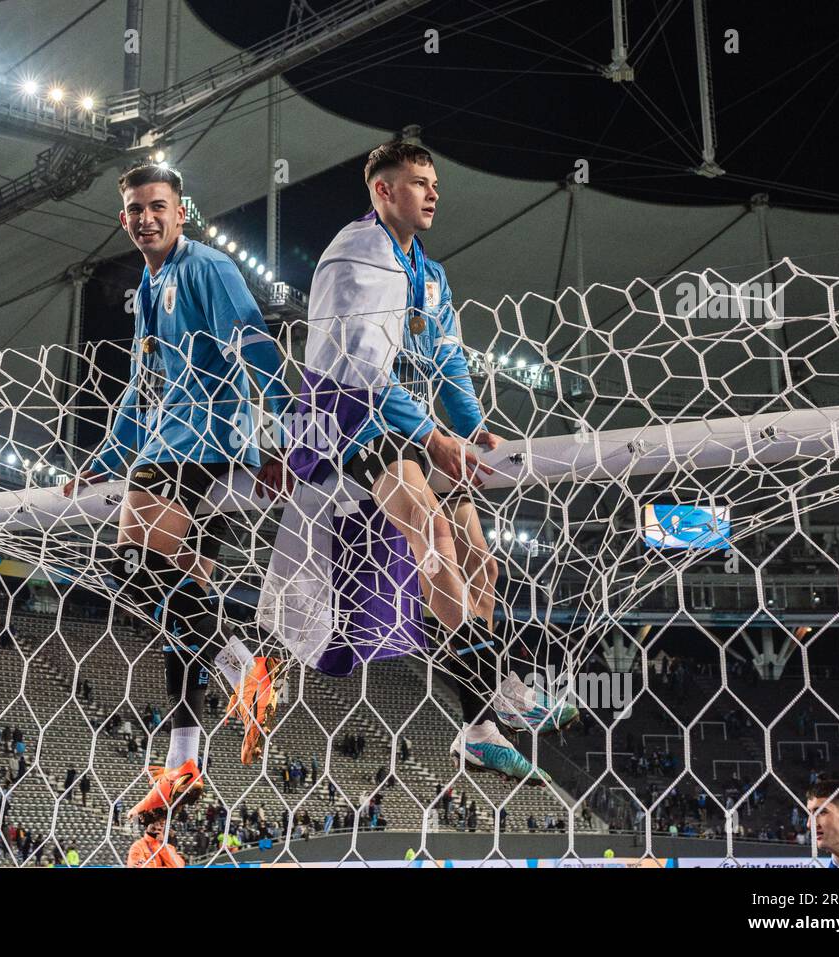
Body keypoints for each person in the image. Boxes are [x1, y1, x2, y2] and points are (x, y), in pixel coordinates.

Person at [261, 140, 576, 784]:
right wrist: (435, 438)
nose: (432, 193)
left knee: (478, 557)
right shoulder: (357, 254)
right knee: (429, 529)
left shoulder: (429, 274)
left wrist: (471, 426)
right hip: (354, 419)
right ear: (383, 191)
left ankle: (480, 726)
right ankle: (503, 685)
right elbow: (359, 366)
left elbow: (451, 356)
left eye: (435, 182)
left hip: (411, 419)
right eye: (417, 182)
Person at [61, 162, 291, 852]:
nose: (144, 218)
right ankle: (186, 759)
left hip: (202, 444)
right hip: (172, 442)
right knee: (177, 600)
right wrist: (102, 457)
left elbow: (253, 339)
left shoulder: (208, 267)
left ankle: (246, 663)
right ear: (123, 218)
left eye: (156, 205)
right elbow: (140, 386)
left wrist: (281, 432)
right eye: (134, 209)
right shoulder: (151, 285)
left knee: (135, 570)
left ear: (181, 210)